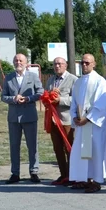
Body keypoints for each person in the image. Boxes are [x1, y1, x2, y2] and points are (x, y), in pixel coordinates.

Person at [68, 54, 106, 193]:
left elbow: (102, 104)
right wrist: (75, 116)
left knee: (95, 151)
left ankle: (97, 180)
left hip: (95, 125)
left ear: (94, 64)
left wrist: (87, 118)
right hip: (82, 124)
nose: (84, 65)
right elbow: (74, 101)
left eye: (87, 63)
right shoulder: (78, 82)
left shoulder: (100, 81)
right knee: (82, 151)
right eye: (82, 62)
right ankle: (84, 178)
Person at [1, 53, 44, 183]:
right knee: (14, 146)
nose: (18, 62)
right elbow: (3, 96)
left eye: (20, 60)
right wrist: (13, 99)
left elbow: (40, 92)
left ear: (26, 62)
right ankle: (15, 173)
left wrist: (29, 98)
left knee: (32, 145)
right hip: (14, 118)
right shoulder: (8, 78)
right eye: (16, 60)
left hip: (29, 115)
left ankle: (34, 171)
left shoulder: (33, 76)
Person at [45, 57, 77, 185]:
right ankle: (63, 174)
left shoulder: (73, 79)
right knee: (57, 148)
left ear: (66, 65)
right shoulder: (51, 80)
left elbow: (75, 99)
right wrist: (49, 96)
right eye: (55, 64)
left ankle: (72, 175)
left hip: (66, 120)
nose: (57, 66)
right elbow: (45, 96)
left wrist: (60, 99)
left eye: (60, 64)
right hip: (53, 119)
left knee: (69, 148)